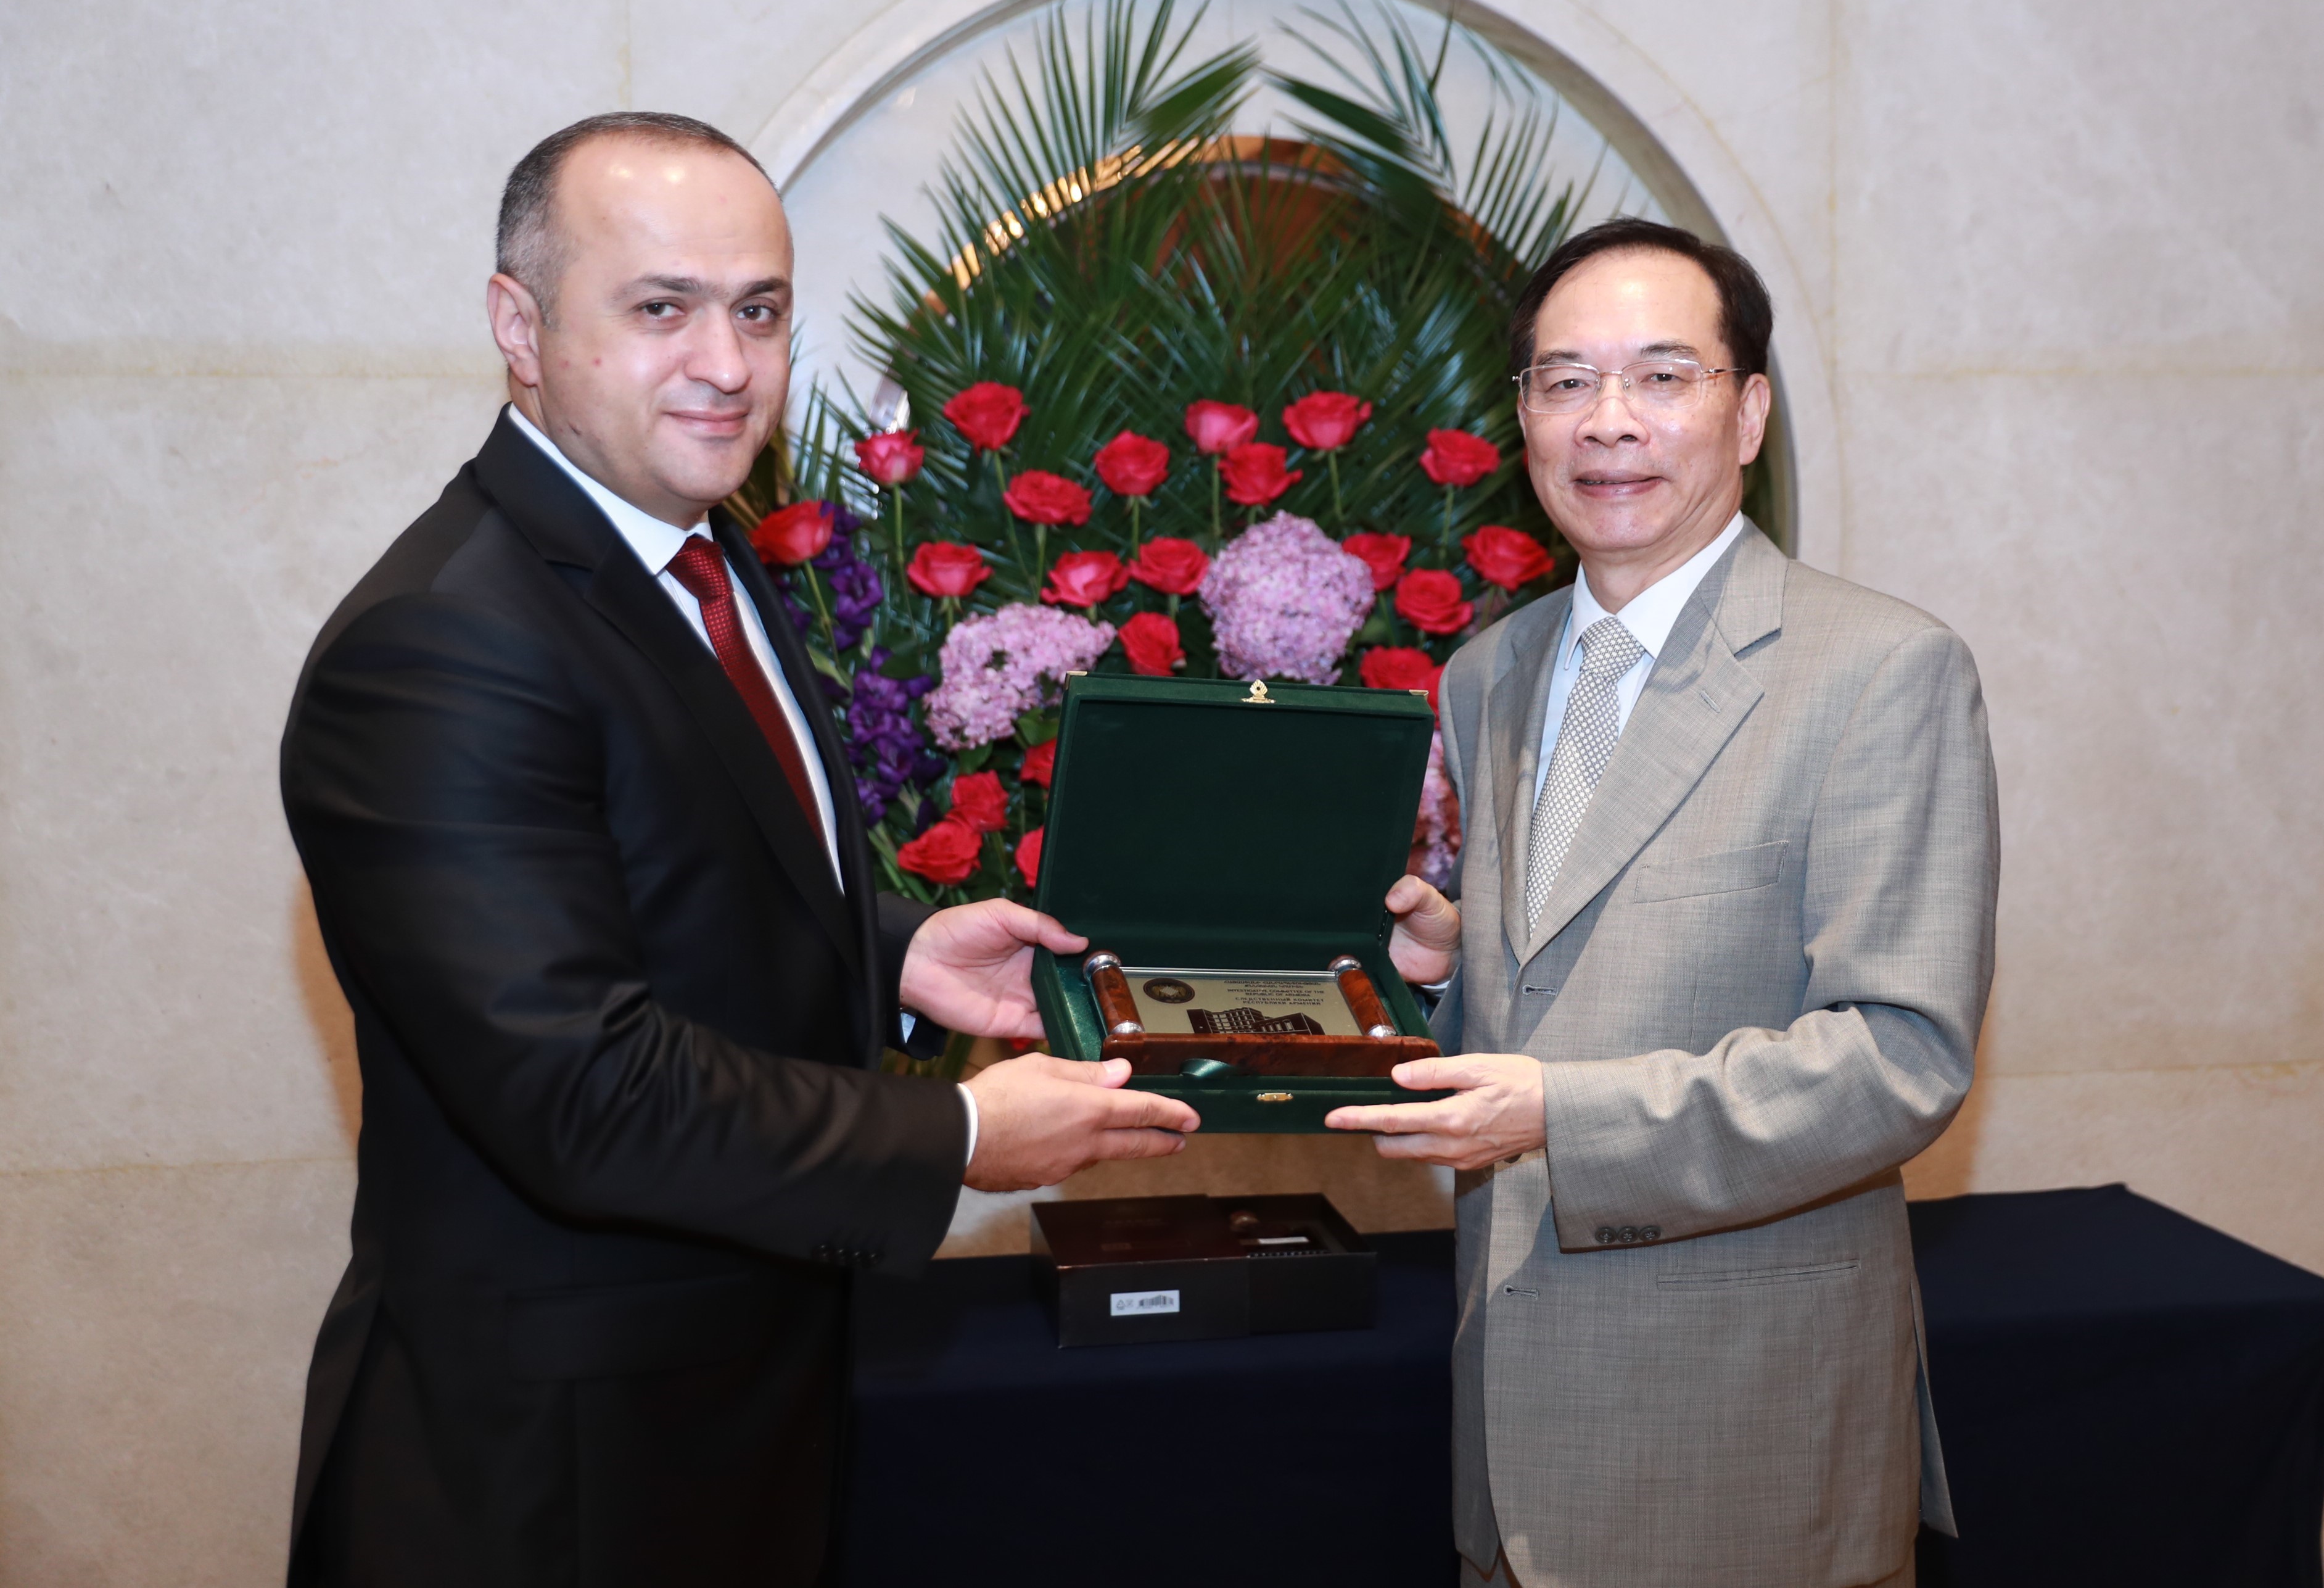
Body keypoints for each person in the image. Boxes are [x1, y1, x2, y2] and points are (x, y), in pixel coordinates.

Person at [279, 111, 1200, 1586]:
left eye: (759, 311)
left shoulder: (697, 555)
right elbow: (582, 1092)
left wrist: (900, 955)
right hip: (553, 1483)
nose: (726, 363)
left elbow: (681, 875)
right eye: (663, 309)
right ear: (519, 326)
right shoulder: (443, 644)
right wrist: (961, 1139)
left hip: (732, 1425)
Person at [1336, 220, 2000, 1588]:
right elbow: (1548, 1003)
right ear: (1523, 416)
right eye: (1564, 381)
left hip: (1742, 1441)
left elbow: (1899, 1058)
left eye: (1659, 376)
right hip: (1512, 1442)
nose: (1608, 422)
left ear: (1746, 413)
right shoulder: (1489, 674)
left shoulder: (1879, 671)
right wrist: (1441, 978)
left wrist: (1558, 1117)